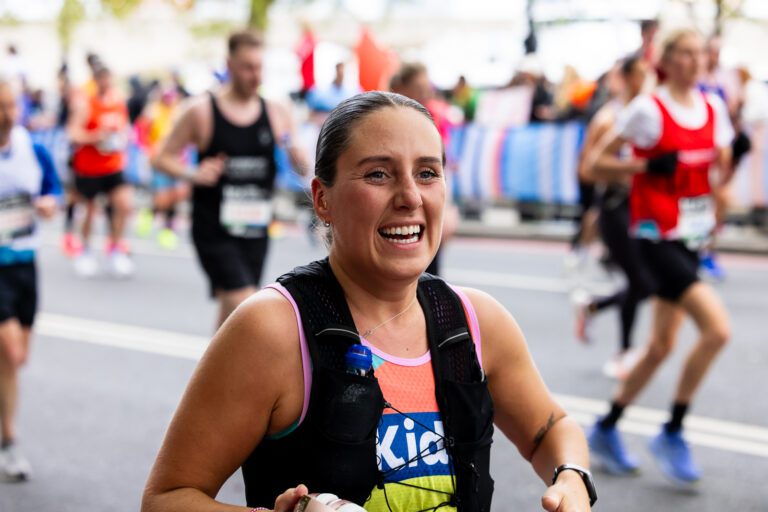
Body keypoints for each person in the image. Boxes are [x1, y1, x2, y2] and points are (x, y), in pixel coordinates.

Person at [141, 91, 595, 512]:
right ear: (323, 199)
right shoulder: (274, 329)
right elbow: (166, 498)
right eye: (378, 174)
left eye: (427, 173)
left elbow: (551, 430)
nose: (411, 197)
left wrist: (571, 477)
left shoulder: (475, 322)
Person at [589, 29, 738, 485]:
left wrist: (718, 198)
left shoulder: (714, 109)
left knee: (660, 347)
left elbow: (719, 167)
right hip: (654, 237)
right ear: (666, 61)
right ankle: (673, 429)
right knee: (717, 330)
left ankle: (606, 427)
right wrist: (644, 166)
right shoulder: (647, 110)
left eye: (700, 54)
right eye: (685, 54)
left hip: (691, 239)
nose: (695, 61)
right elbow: (596, 162)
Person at [151, 30, 308, 327]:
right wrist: (193, 173)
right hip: (214, 227)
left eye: (260, 67)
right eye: (247, 67)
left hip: (255, 227)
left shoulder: (276, 112)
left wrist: (297, 154)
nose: (255, 75)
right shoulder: (201, 111)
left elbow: (301, 168)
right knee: (245, 302)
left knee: (232, 313)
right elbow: (161, 157)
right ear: (230, 65)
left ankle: (215, 373)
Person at [573, 56, 656, 379]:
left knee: (650, 283)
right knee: (638, 281)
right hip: (614, 206)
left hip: (643, 208)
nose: (645, 81)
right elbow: (586, 168)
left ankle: (593, 306)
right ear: (625, 78)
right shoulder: (608, 119)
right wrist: (628, 171)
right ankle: (623, 351)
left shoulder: (650, 117)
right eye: (639, 75)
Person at [0, 79, 61, 480]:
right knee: (11, 353)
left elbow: (53, 190)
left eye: (12, 106)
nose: (9, 115)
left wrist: (47, 204)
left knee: (16, 359)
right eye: (2, 107)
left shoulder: (32, 147)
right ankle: (9, 442)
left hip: (26, 262)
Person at [67, 64, 134, 278]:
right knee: (89, 209)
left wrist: (122, 138)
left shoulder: (118, 101)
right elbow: (72, 133)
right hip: (89, 168)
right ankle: (85, 250)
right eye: (102, 79)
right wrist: (94, 137)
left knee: (124, 205)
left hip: (113, 165)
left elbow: (126, 128)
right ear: (96, 80)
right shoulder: (85, 104)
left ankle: (114, 249)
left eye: (109, 79)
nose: (106, 83)